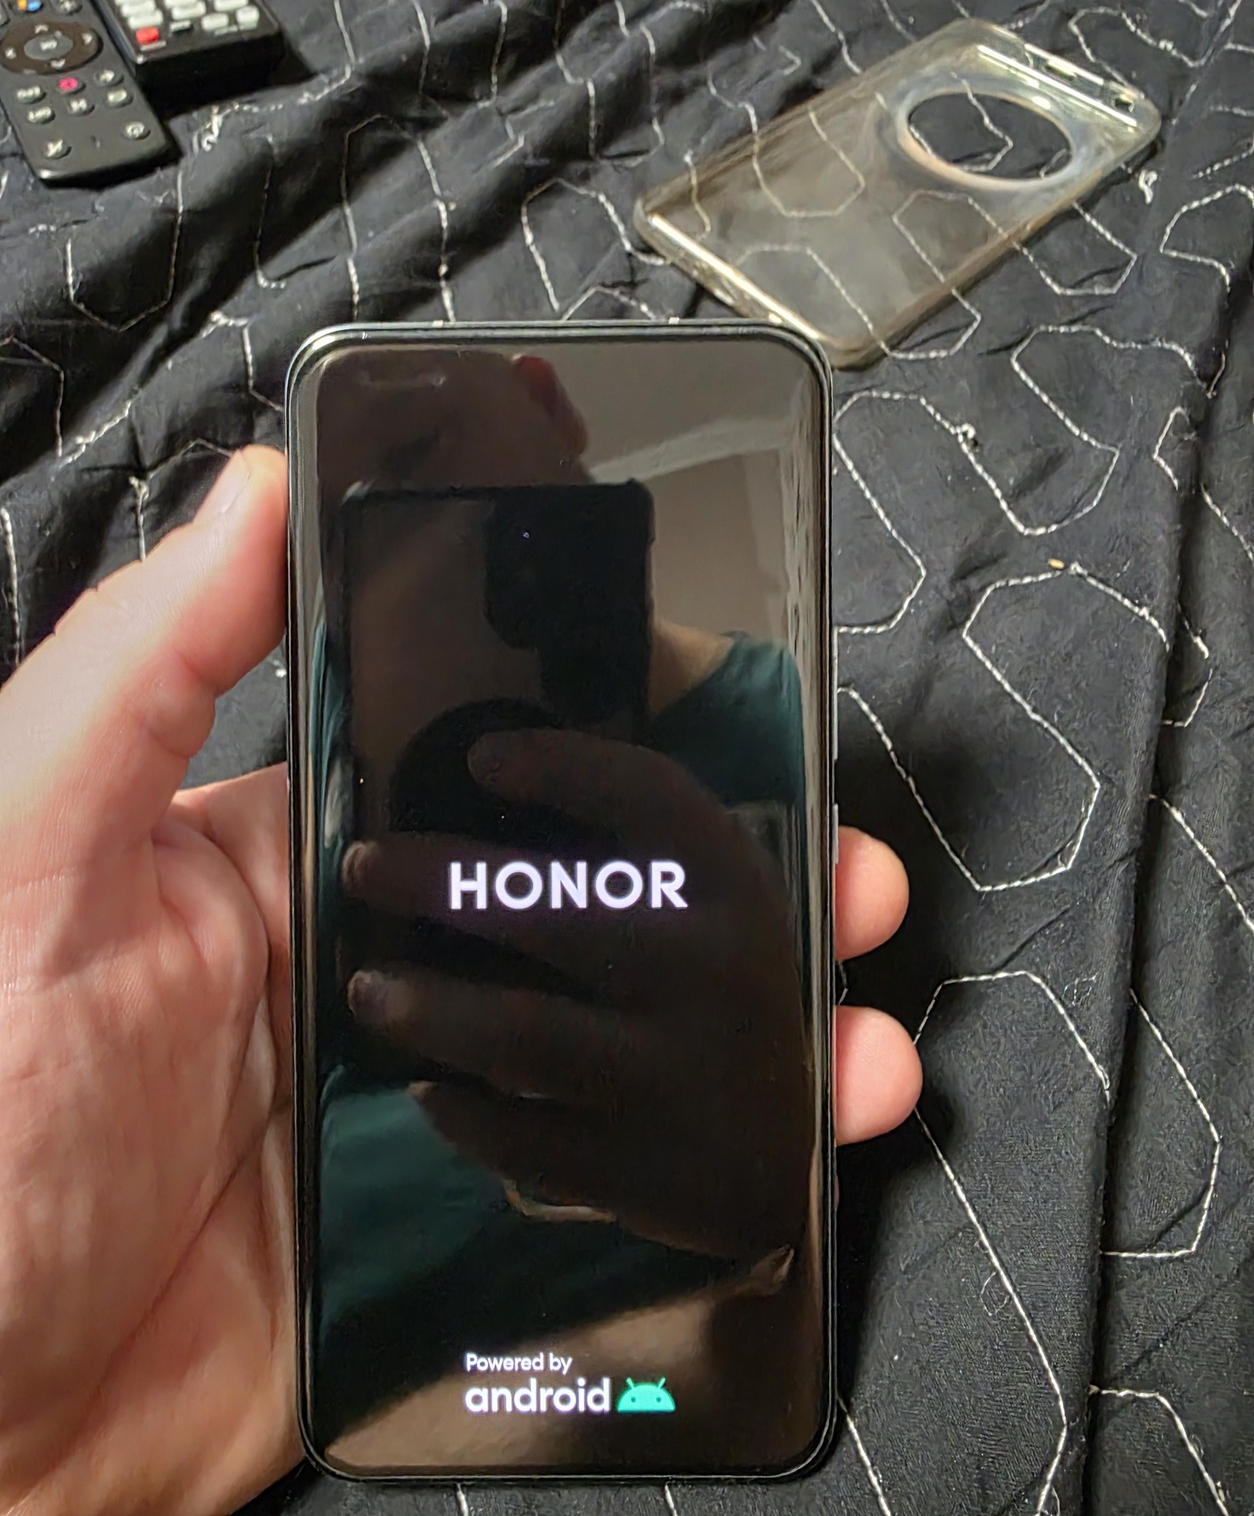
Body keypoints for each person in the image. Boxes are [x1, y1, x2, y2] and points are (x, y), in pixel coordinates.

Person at [0, 444, 921, 1516]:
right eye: (395, 505)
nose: (456, 531)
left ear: (546, 407)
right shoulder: (315, 807)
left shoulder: (770, 725)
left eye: (437, 444)